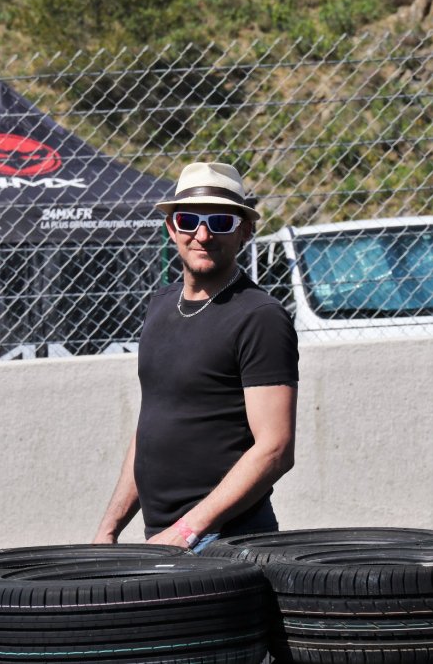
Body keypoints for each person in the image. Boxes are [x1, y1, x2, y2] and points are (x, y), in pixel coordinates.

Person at [94, 161, 299, 552]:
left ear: (245, 231)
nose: (202, 235)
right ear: (172, 228)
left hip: (226, 541)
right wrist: (109, 529)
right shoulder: (161, 305)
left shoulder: (260, 317)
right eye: (188, 220)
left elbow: (275, 449)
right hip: (166, 540)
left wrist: (187, 531)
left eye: (220, 222)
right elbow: (152, 427)